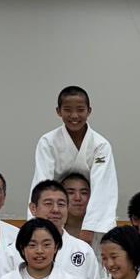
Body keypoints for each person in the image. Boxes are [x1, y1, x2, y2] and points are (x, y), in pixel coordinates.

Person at [32, 84, 118, 235]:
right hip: (58, 209)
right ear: (58, 111)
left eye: (80, 110)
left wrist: (91, 227)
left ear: (89, 111)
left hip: (88, 211)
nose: (74, 116)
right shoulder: (48, 142)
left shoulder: (100, 145)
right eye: (67, 110)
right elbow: (42, 183)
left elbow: (103, 188)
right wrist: (41, 224)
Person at [28, 178, 97, 279]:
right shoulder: (16, 250)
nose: (56, 210)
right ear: (33, 208)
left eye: (61, 204)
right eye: (48, 203)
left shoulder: (84, 251)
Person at [61, 172, 96, 245]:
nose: (78, 198)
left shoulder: (101, 231)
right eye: (71, 193)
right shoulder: (51, 231)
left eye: (84, 193)